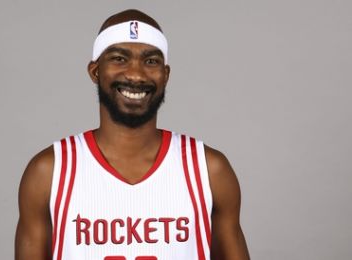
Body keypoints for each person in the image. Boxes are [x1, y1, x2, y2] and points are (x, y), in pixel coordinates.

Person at [15, 9, 250, 260]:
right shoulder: (50, 172)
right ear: (95, 71)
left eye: (150, 61)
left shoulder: (208, 170)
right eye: (119, 58)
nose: (136, 74)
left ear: (165, 75)